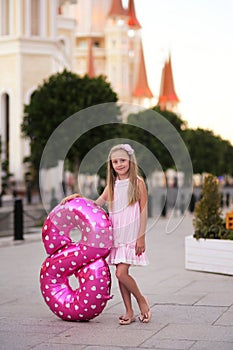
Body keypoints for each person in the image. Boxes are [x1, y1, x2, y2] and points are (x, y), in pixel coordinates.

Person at [61, 144, 151, 325]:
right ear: (111, 164)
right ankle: (129, 311)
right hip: (116, 235)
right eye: (115, 161)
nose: (119, 164)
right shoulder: (113, 184)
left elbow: (143, 210)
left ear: (130, 161)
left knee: (121, 273)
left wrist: (141, 236)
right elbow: (97, 203)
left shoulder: (138, 182)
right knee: (119, 273)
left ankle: (142, 300)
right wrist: (78, 198)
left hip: (131, 234)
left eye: (122, 160)